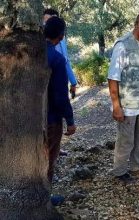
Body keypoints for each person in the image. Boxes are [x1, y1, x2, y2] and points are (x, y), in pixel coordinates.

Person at [107, 10, 139, 183]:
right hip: (126, 105)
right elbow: (113, 78)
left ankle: (137, 164)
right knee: (125, 140)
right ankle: (119, 171)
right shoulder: (122, 45)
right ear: (136, 25)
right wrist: (116, 106)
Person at [45, 16, 76, 204]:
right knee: (48, 159)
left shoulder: (28, 54)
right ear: (62, 36)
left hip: (27, 121)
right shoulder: (56, 59)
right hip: (51, 119)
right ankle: (44, 199)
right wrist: (70, 121)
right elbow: (60, 96)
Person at [43, 8, 78, 98]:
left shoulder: (61, 40)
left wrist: (73, 82)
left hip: (60, 81)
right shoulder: (39, 38)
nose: (46, 23)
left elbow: (66, 60)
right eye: (45, 21)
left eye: (50, 20)